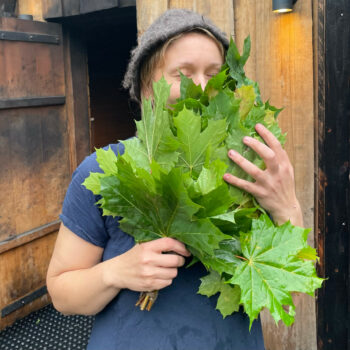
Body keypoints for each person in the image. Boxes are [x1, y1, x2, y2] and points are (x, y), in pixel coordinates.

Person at [46, 9, 303, 350]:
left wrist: (288, 207)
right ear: (146, 87)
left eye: (214, 75)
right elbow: (62, 294)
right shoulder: (102, 171)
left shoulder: (249, 168)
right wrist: (117, 272)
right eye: (182, 74)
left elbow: (292, 292)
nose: (200, 87)